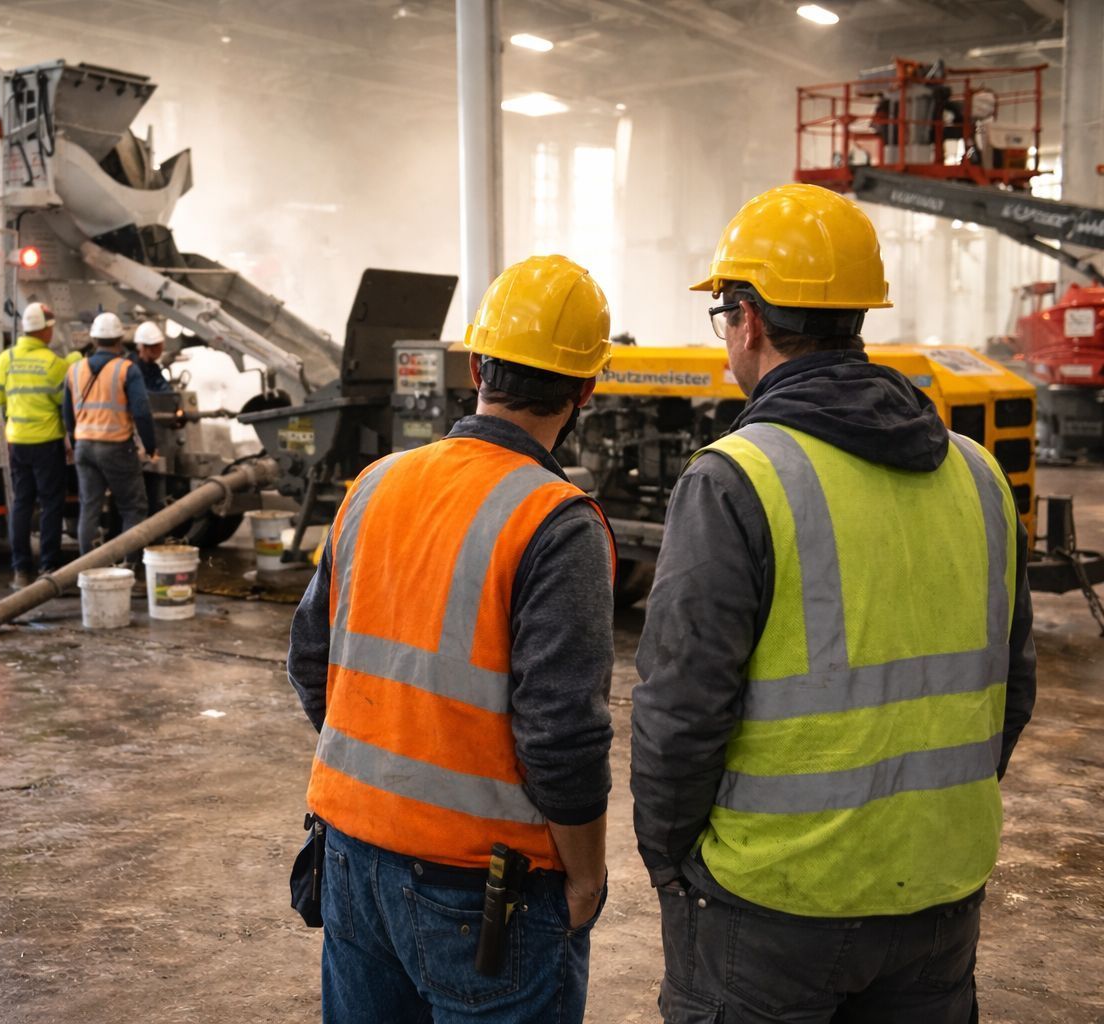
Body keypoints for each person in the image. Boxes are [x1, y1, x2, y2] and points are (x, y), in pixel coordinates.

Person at [630, 183, 1037, 1024]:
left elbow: (679, 711)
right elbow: (1014, 691)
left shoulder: (736, 479)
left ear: (745, 319)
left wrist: (671, 862)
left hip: (774, 907)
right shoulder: (978, 475)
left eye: (724, 316)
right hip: (939, 895)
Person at [288, 255, 618, 1023]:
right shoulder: (556, 521)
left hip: (349, 856)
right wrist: (585, 876)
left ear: (474, 365)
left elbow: (311, 663)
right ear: (586, 390)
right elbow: (562, 736)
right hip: (484, 890)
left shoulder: (375, 484)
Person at [64, 310, 157, 552]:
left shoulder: (74, 369)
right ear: (119, 341)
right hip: (116, 446)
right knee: (133, 508)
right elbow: (142, 412)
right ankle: (129, 567)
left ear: (93, 340)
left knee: (89, 508)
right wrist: (150, 446)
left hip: (84, 446)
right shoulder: (127, 369)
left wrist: (76, 444)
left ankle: (88, 570)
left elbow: (67, 414)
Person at [0, 301, 69, 589]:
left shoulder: (6, 360)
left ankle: (21, 571)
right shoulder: (53, 364)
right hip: (47, 443)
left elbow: (0, 400)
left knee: (22, 503)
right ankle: (48, 567)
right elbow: (63, 404)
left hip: (17, 442)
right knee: (50, 504)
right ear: (46, 331)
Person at [130, 320, 173, 394]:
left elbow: (164, 388)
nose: (160, 350)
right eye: (156, 346)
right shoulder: (133, 368)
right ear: (143, 347)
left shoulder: (152, 367)